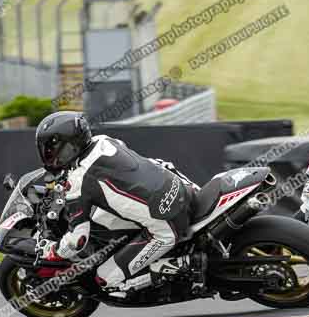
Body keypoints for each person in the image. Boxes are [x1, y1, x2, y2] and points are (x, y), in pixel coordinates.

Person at [34, 111, 200, 294]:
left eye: (52, 149)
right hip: (180, 188)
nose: (49, 154)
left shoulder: (79, 180)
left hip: (167, 226)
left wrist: (53, 251)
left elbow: (78, 240)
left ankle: (184, 264)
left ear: (70, 145)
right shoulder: (104, 141)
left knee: (106, 280)